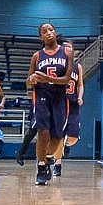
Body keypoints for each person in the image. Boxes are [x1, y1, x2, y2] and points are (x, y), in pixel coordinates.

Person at [27, 22, 74, 185]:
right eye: (45, 31)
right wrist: (32, 79)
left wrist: (45, 78)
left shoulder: (67, 52)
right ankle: (40, 167)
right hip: (42, 95)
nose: (49, 33)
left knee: (57, 137)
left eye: (51, 29)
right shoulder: (37, 56)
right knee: (43, 131)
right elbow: (28, 83)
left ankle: (46, 158)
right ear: (41, 36)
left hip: (59, 96)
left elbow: (66, 79)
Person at [52, 41, 84, 178]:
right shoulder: (57, 65)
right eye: (64, 47)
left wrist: (80, 96)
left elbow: (80, 85)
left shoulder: (78, 67)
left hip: (73, 103)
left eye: (69, 47)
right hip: (60, 103)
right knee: (59, 135)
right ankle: (57, 164)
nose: (67, 49)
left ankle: (63, 146)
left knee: (73, 137)